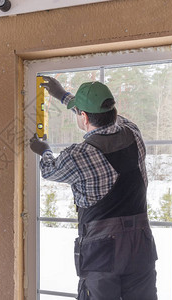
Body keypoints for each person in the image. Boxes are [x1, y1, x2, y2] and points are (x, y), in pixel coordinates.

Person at [30, 76, 158, 300]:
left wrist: (45, 150)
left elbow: (49, 170)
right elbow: (113, 121)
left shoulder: (80, 156)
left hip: (102, 253)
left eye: (79, 112)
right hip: (140, 247)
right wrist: (64, 96)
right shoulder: (133, 133)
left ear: (84, 116)